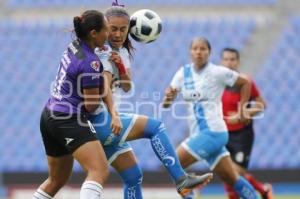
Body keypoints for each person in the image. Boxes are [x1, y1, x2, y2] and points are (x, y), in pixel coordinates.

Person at [90, 5, 213, 199]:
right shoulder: (99, 51)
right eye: (113, 28)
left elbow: (127, 86)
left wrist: (120, 66)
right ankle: (181, 180)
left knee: (133, 177)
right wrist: (113, 113)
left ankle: (184, 186)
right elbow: (100, 88)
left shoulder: (120, 52)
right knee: (155, 127)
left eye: (123, 29)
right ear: (105, 28)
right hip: (98, 121)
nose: (118, 33)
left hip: (104, 122)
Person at [32, 10, 119, 199]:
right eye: (105, 30)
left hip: (49, 115)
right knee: (99, 170)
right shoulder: (91, 63)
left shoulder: (74, 46)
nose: (109, 34)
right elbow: (91, 105)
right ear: (93, 33)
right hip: (68, 118)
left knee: (56, 180)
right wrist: (106, 84)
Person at [162, 37, 259, 199]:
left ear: (209, 52)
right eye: (195, 49)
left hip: (213, 132)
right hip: (200, 134)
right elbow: (166, 104)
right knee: (232, 178)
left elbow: (245, 83)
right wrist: (168, 97)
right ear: (190, 51)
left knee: (173, 162)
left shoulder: (217, 72)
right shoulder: (183, 73)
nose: (198, 52)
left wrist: (242, 110)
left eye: (203, 49)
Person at [221, 48, 272, 199]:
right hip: (222, 133)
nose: (229, 63)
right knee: (225, 171)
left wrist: (243, 114)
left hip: (242, 134)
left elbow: (262, 105)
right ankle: (262, 190)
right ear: (221, 62)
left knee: (236, 172)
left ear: (238, 62)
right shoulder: (216, 83)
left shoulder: (245, 82)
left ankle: (261, 190)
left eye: (232, 59)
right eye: (226, 59)